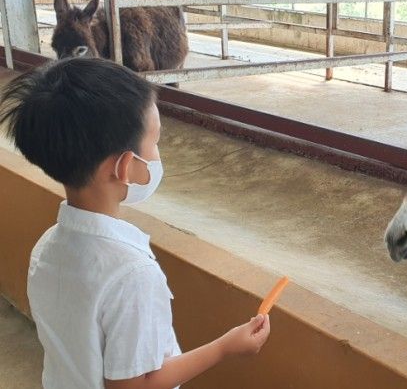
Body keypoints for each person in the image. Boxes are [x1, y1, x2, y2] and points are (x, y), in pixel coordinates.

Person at [0, 57, 270, 388]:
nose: (157, 154)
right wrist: (224, 347)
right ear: (126, 166)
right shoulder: (131, 275)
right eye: (154, 143)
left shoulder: (47, 247)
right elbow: (133, 386)